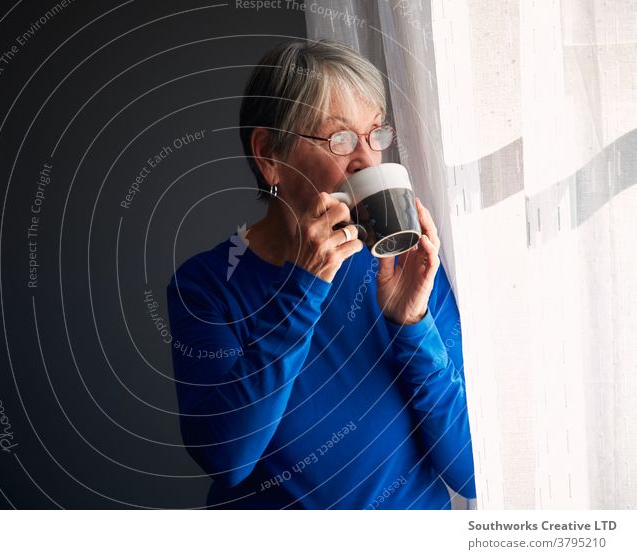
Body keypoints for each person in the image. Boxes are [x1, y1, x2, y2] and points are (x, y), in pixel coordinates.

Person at [166, 39, 475, 509]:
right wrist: (304, 288)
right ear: (270, 154)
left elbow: (473, 472)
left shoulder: (403, 267)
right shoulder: (207, 285)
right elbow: (225, 458)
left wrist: (413, 326)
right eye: (341, 139)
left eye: (375, 135)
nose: (367, 161)